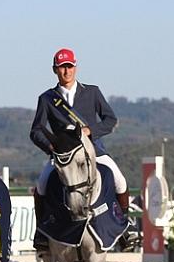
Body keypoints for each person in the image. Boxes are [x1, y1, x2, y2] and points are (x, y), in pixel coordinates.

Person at [29, 48, 135, 250]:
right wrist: (51, 147)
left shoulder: (92, 92)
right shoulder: (47, 98)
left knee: (120, 181)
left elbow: (111, 120)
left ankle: (124, 228)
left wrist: (90, 130)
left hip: (94, 150)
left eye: (69, 67)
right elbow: (35, 131)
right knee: (41, 185)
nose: (66, 71)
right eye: (62, 67)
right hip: (64, 155)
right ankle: (41, 232)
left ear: (75, 67)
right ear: (55, 70)